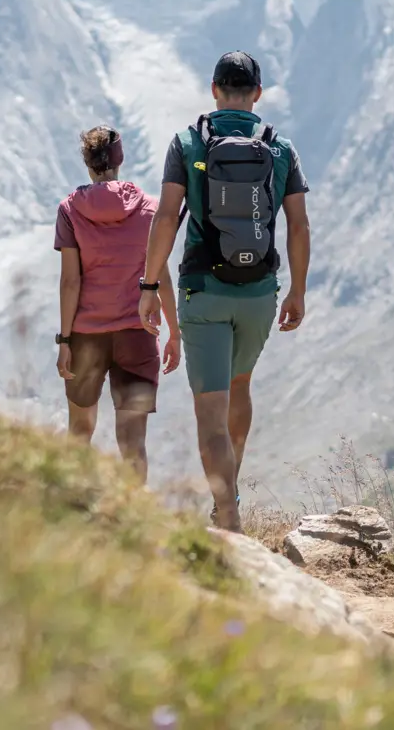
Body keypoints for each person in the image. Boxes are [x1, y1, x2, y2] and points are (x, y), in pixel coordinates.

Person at [139, 51, 310, 531]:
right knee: (240, 387)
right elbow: (298, 226)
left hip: (202, 291)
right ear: (258, 93)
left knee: (209, 410)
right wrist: (297, 290)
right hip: (259, 293)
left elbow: (166, 218)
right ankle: (230, 495)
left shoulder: (187, 142)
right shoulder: (281, 149)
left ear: (213, 89)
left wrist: (149, 284)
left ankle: (228, 512)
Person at [54, 125, 179, 483]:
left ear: (88, 164)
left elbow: (70, 281)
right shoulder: (149, 210)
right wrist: (174, 332)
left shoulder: (69, 210)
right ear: (120, 161)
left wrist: (65, 342)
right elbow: (162, 276)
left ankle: (72, 511)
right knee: (132, 441)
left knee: (79, 431)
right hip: (136, 336)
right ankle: (135, 525)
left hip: (86, 337)